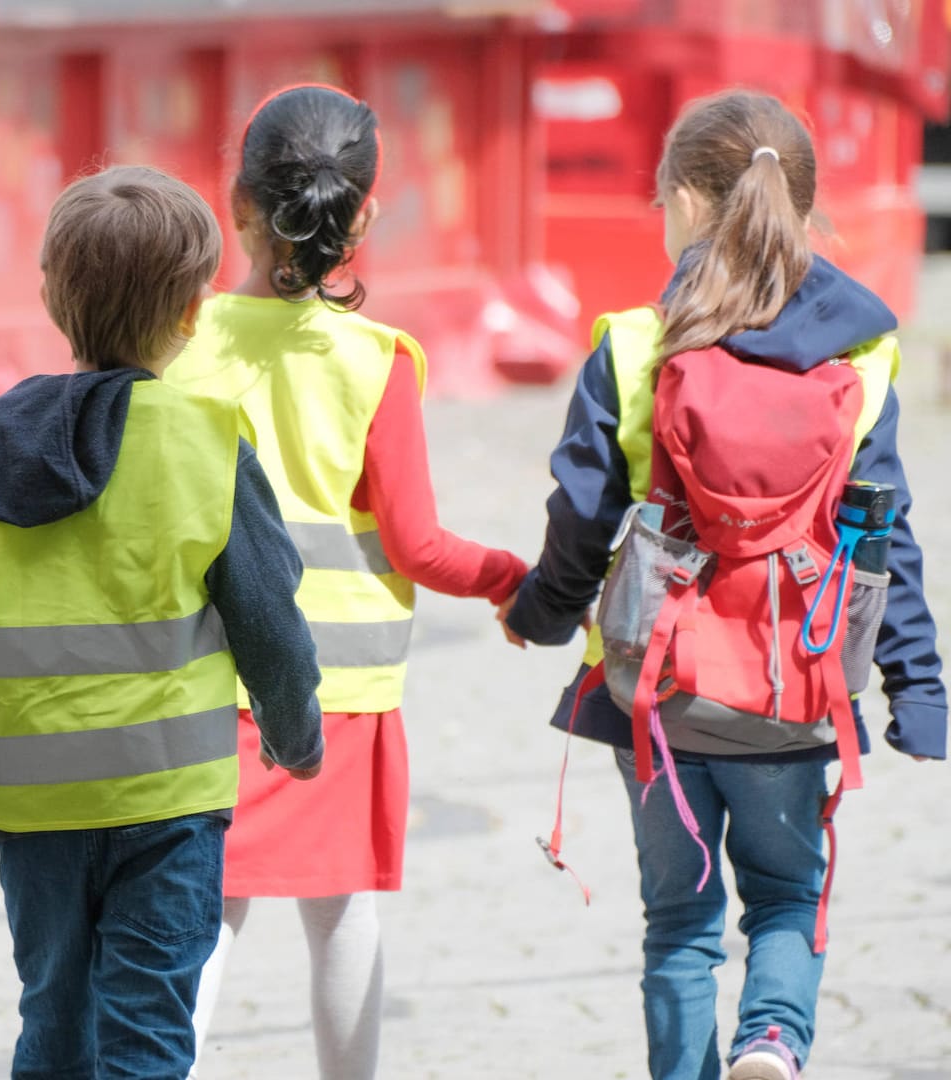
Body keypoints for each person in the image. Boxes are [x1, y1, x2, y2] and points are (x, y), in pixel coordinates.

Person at [0, 164, 326, 1080]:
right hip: (168, 805)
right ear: (190, 313)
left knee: (54, 1016)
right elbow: (269, 619)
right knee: (147, 1032)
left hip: (35, 801)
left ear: (51, 295)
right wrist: (296, 734)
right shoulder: (208, 444)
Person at [503, 89, 945, 1080]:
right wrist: (919, 690)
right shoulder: (861, 356)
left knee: (678, 924)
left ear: (689, 208)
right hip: (797, 685)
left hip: (657, 688)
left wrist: (540, 613)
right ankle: (774, 1041)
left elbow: (579, 521)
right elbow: (888, 535)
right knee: (788, 897)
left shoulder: (633, 347)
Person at [163, 84, 526, 1079]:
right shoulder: (378, 363)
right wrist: (510, 579)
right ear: (364, 215)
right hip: (341, 698)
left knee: (204, 917)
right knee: (342, 914)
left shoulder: (182, 347)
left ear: (237, 206)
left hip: (203, 683)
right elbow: (416, 545)